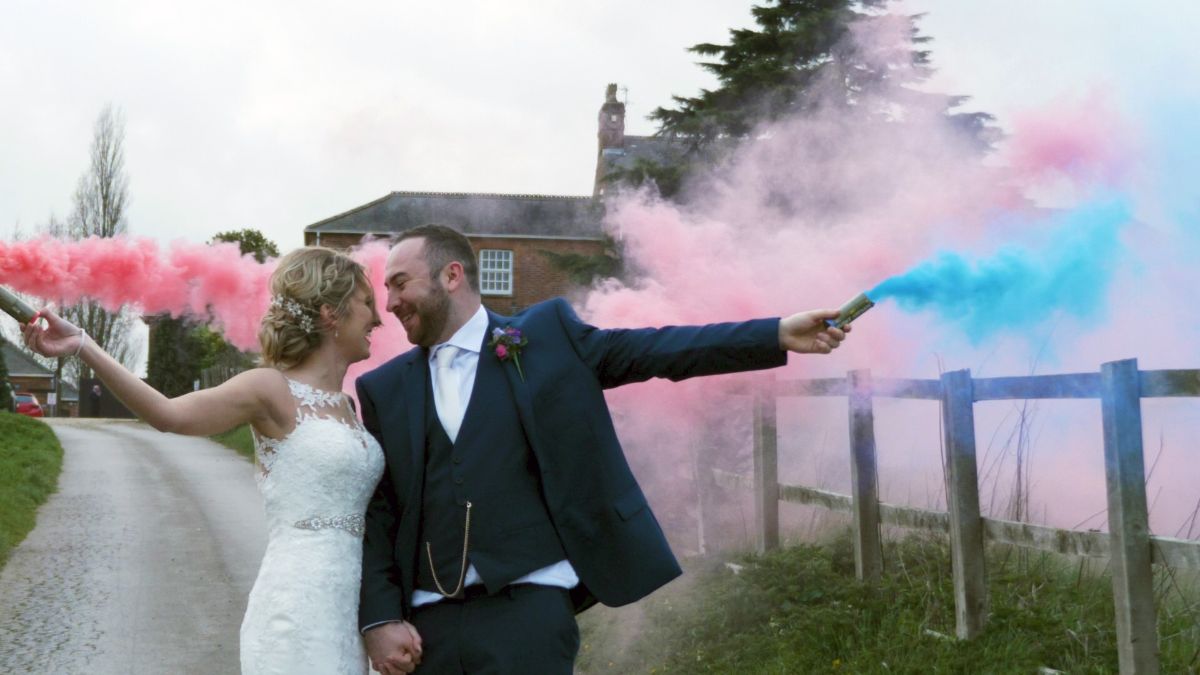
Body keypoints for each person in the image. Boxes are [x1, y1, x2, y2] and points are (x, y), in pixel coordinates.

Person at [356, 225, 850, 674]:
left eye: (399, 283)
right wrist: (379, 618)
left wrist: (775, 334)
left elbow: (656, 349)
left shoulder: (546, 335)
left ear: (451, 275)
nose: (390, 302)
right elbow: (379, 516)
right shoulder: (383, 388)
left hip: (530, 611)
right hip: (426, 626)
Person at [22, 247, 423, 675]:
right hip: (297, 610)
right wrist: (83, 345)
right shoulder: (269, 389)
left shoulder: (348, 406)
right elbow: (168, 414)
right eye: (366, 303)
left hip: (348, 614)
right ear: (330, 313)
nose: (377, 318)